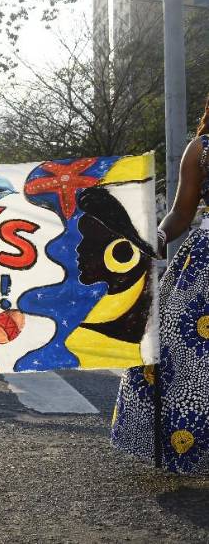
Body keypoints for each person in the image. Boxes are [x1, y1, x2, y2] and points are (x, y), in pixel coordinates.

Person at [112, 95, 209, 474]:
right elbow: (182, 212)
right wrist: (158, 238)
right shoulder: (201, 150)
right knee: (183, 356)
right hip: (203, 266)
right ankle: (189, 451)